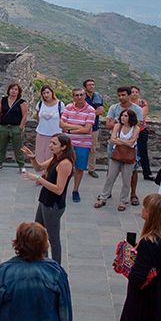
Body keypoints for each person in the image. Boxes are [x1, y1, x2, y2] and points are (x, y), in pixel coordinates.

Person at [20, 134, 73, 265]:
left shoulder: (65, 163)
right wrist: (32, 158)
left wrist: (38, 179)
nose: (50, 146)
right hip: (45, 200)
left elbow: (59, 189)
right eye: (51, 143)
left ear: (64, 147)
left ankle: (56, 266)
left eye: (54, 144)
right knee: (39, 232)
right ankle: (42, 261)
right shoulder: (55, 158)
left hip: (53, 205)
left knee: (53, 238)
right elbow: (38, 167)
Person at [106, 86, 146, 206]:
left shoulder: (137, 109)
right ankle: (107, 192)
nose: (121, 97)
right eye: (119, 95)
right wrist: (120, 124)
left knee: (132, 170)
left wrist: (116, 123)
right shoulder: (114, 107)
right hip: (114, 144)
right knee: (111, 168)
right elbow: (108, 124)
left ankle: (133, 194)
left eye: (123, 95)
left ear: (129, 95)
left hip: (131, 145)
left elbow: (136, 126)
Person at [97, 109, 140, 211]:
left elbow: (131, 142)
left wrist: (119, 140)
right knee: (110, 177)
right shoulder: (117, 126)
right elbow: (113, 139)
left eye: (125, 116)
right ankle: (103, 197)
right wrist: (126, 142)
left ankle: (123, 201)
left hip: (129, 157)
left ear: (131, 117)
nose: (123, 118)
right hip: (117, 155)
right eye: (122, 115)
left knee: (126, 179)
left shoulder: (135, 128)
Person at [59, 87, 96, 203]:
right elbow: (61, 124)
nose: (79, 97)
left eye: (81, 95)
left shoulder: (90, 110)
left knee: (79, 168)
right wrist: (78, 127)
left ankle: (75, 190)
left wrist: (69, 129)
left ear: (85, 96)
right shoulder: (68, 107)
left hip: (83, 144)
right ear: (73, 96)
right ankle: (61, 188)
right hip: (67, 143)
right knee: (64, 167)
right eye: (76, 95)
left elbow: (87, 129)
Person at [0, 83, 28, 172]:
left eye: (16, 89)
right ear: (9, 90)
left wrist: (20, 127)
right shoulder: (3, 100)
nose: (13, 91)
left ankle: (21, 166)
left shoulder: (21, 102)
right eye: (12, 89)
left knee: (18, 148)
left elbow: (24, 115)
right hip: (4, 126)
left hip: (15, 127)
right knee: (1, 146)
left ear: (18, 91)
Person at [33, 85, 63, 164]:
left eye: (47, 92)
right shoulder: (40, 104)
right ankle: (42, 174)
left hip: (55, 135)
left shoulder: (60, 104)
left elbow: (63, 119)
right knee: (40, 155)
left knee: (53, 156)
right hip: (41, 133)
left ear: (52, 92)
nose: (46, 95)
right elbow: (37, 116)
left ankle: (51, 174)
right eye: (44, 93)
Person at [83, 79, 105, 179]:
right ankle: (76, 168)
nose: (91, 86)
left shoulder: (98, 96)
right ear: (85, 87)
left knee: (92, 149)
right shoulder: (81, 96)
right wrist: (94, 112)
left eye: (93, 84)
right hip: (82, 127)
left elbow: (101, 110)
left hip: (94, 127)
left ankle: (91, 169)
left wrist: (89, 114)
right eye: (89, 85)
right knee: (79, 148)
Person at [130, 86, 154, 182]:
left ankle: (147, 173)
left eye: (136, 91)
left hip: (141, 130)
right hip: (129, 130)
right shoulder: (128, 103)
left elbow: (142, 116)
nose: (134, 93)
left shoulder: (142, 103)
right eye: (132, 92)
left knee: (143, 152)